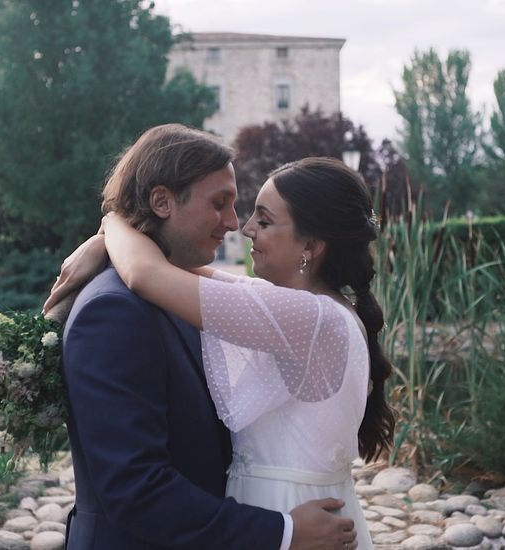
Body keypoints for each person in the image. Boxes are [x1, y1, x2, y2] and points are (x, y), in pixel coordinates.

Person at [46, 124, 358, 550]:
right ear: (162, 201)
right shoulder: (114, 310)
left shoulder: (296, 313)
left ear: (312, 245)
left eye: (262, 220)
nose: (238, 226)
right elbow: (136, 488)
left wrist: (109, 229)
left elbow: (147, 271)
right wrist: (282, 533)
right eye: (220, 204)